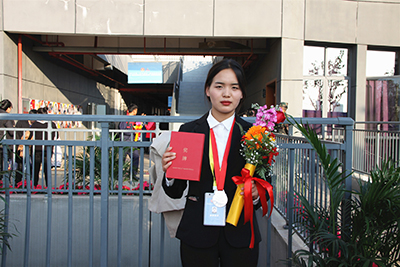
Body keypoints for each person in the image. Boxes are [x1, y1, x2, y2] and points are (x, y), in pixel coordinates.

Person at [161, 59, 263, 267]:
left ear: (242, 93)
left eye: (234, 88)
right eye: (219, 86)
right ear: (208, 90)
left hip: (240, 233)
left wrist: (255, 194)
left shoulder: (255, 135)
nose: (227, 94)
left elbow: (263, 188)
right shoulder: (189, 131)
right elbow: (175, 191)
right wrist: (170, 174)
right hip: (197, 232)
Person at [31, 107, 57, 187]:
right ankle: (48, 187)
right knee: (47, 169)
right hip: (48, 149)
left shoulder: (34, 125)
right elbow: (55, 136)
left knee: (35, 169)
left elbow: (30, 136)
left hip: (36, 149)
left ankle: (34, 186)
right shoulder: (52, 124)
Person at [14, 109, 36, 184]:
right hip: (21, 148)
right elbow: (17, 134)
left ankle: (29, 183)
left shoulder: (35, 125)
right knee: (20, 166)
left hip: (30, 149)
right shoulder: (21, 123)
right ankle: (18, 183)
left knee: (30, 166)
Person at [118, 103, 140, 176]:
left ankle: (132, 174)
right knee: (122, 158)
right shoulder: (125, 119)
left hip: (132, 141)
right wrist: (133, 130)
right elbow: (122, 129)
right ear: (134, 111)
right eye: (136, 111)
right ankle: (119, 174)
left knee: (135, 157)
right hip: (125, 141)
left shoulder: (133, 119)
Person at [0, 99, 15, 176]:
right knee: (6, 163)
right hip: (6, 144)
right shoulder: (7, 116)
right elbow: (11, 131)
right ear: (8, 108)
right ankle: (6, 181)